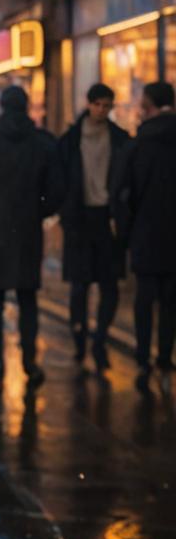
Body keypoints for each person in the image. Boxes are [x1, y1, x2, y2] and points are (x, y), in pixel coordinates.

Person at [0, 85, 64, 389]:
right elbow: (57, 191)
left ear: (2, 107)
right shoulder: (43, 144)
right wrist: (38, 211)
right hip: (28, 231)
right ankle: (30, 363)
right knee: (27, 298)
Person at [57, 83, 130, 375]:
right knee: (80, 285)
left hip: (108, 219)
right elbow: (60, 180)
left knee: (109, 285)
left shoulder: (121, 140)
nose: (102, 110)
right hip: (79, 218)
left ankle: (100, 340)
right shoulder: (70, 141)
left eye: (107, 105)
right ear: (89, 104)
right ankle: (79, 339)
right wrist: (65, 213)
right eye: (98, 104)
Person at [113, 81, 176, 393]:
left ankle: (143, 358)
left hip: (145, 234)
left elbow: (122, 194)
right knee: (170, 302)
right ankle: (165, 358)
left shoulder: (137, 145)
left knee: (144, 297)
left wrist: (124, 235)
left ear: (148, 104)